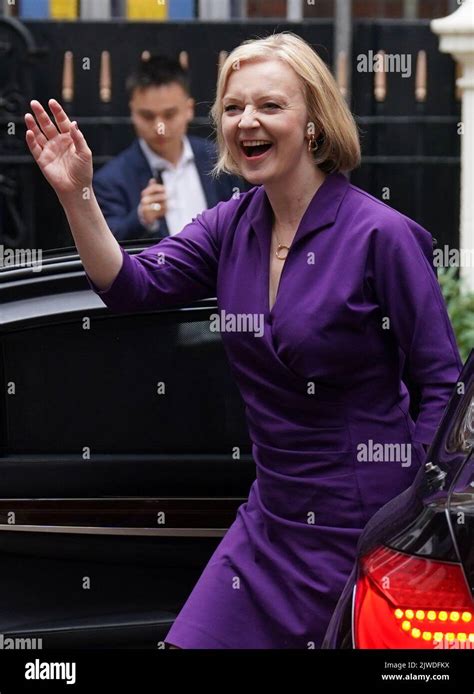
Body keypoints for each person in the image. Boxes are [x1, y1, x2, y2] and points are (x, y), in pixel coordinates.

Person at [25, 32, 463, 649]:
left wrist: (414, 516)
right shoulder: (232, 224)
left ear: (314, 122)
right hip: (271, 521)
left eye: (269, 106)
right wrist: (78, 194)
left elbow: (442, 384)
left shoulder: (379, 235)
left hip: (367, 523)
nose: (246, 121)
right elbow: (131, 286)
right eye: (233, 108)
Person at [93, 55, 243, 241]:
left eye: (170, 115)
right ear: (132, 112)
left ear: (189, 109)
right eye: (147, 116)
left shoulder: (220, 158)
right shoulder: (110, 180)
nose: (159, 127)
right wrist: (141, 218)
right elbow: (101, 247)